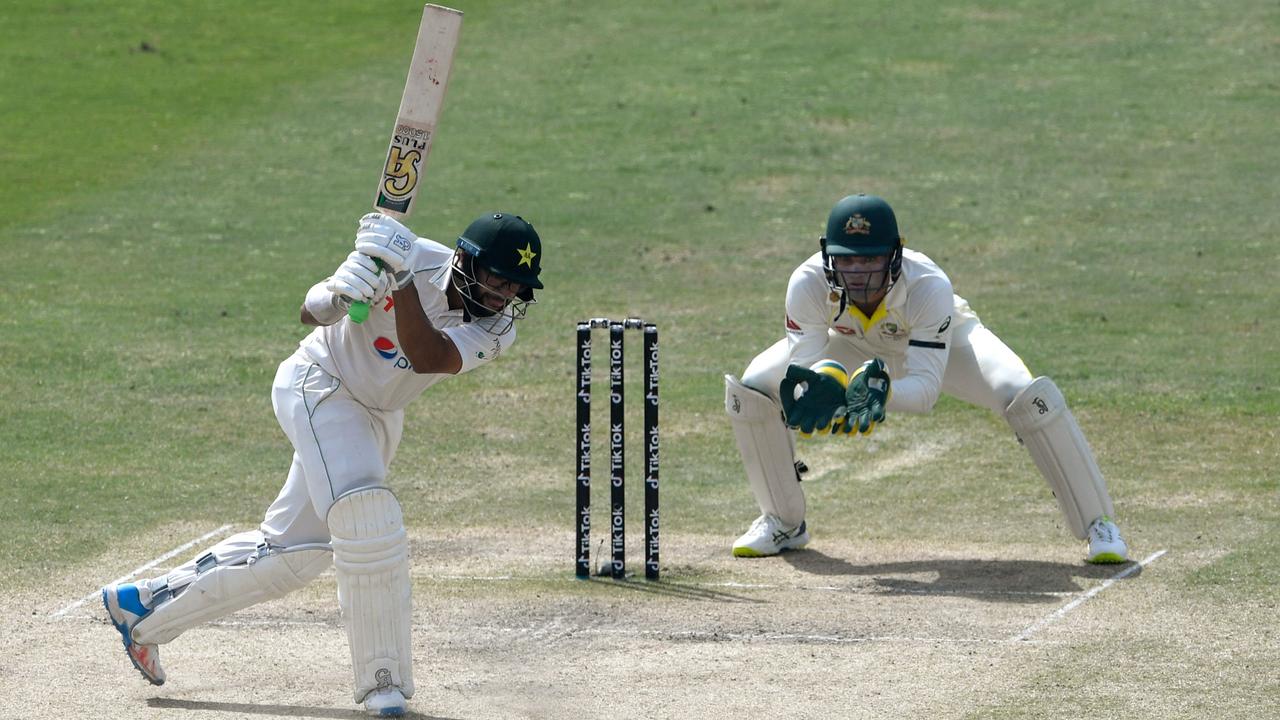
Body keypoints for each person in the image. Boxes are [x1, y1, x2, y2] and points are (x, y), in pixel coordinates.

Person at [101, 210, 545, 717]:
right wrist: (342, 293)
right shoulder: (410, 255)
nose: (503, 295)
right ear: (466, 259)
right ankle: (385, 683)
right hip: (320, 385)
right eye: (497, 279)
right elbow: (309, 311)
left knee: (295, 555)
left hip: (375, 416)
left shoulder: (494, 328)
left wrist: (395, 286)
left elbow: (429, 356)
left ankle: (143, 609)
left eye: (515, 286)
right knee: (368, 519)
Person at [724, 194, 1128, 564]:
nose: (857, 273)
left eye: (870, 260)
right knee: (754, 387)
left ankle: (1099, 524)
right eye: (847, 260)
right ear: (828, 256)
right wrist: (826, 394)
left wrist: (876, 395)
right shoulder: (808, 283)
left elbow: (924, 392)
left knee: (1024, 393)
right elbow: (808, 373)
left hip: (944, 347)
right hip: (852, 346)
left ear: (894, 256)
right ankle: (783, 521)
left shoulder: (928, 285)